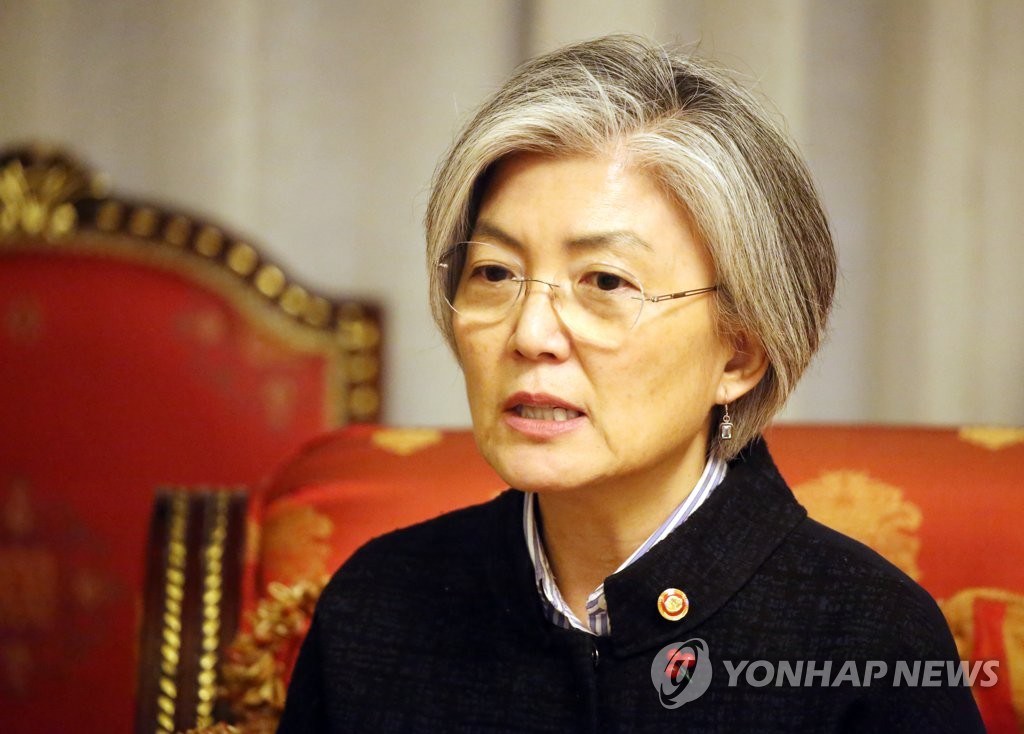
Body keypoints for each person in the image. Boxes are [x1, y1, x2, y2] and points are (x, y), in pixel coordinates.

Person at [277, 34, 984, 732]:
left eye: (606, 282)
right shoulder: (376, 607)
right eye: (494, 272)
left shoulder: (870, 644)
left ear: (739, 355)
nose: (530, 333)